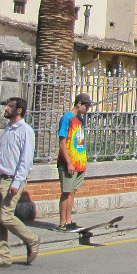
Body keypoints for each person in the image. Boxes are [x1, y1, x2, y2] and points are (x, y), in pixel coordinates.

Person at [0, 97, 39, 268]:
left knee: (6, 217)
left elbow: (26, 160)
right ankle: (3, 256)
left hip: (13, 180)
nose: (5, 109)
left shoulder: (25, 131)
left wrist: (17, 182)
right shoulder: (8, 128)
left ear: (19, 110)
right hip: (0, 178)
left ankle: (32, 239)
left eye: (9, 107)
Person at [58, 93, 91, 231]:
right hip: (68, 163)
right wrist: (69, 162)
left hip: (79, 162)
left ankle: (69, 220)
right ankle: (62, 223)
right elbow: (62, 142)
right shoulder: (67, 118)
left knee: (72, 192)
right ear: (78, 103)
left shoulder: (80, 120)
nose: (87, 109)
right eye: (86, 106)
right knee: (66, 192)